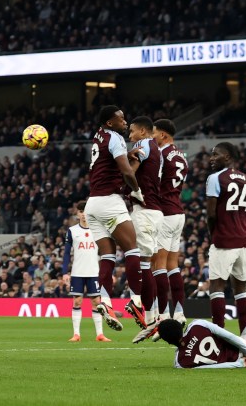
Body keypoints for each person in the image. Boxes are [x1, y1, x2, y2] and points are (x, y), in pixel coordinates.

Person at [87, 106, 145, 332]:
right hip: (109, 202)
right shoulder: (115, 137)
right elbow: (127, 173)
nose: (125, 121)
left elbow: (107, 162)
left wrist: (125, 155)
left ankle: (106, 302)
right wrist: (138, 192)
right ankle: (136, 301)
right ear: (110, 123)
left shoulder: (99, 136)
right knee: (132, 249)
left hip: (93, 203)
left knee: (108, 255)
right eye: (120, 119)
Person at [205, 142, 246, 337]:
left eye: (215, 154)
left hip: (223, 240)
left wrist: (214, 234)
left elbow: (211, 214)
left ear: (227, 157)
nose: (211, 158)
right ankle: (245, 337)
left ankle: (218, 336)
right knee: (241, 290)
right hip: (244, 240)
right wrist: (239, 223)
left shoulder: (215, 178)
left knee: (217, 286)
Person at [126, 116, 164, 342]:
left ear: (142, 131)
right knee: (144, 262)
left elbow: (131, 171)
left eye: (132, 131)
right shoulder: (155, 148)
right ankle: (152, 317)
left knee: (142, 263)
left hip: (146, 211)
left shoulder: (142, 145)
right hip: (153, 211)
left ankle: (151, 319)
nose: (130, 136)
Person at [152, 119, 188, 326]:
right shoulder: (182, 157)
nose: (152, 137)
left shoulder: (161, 155)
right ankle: (180, 312)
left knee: (160, 264)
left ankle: (164, 313)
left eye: (154, 133)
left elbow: (155, 182)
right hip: (178, 212)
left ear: (163, 135)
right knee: (173, 265)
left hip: (164, 212)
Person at [156, 318, 246, 369]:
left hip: (232, 360)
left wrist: (238, 364)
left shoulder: (180, 362)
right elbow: (227, 335)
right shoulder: (197, 325)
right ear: (179, 326)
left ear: (168, 342)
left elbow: (210, 368)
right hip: (237, 349)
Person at [61, 201, 111, 342]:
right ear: (77, 214)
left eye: (86, 211)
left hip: (94, 272)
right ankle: (76, 334)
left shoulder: (98, 230)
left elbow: (106, 252)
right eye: (81, 211)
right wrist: (65, 272)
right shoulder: (72, 231)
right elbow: (66, 254)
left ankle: (100, 334)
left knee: (96, 302)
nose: (83, 214)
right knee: (77, 301)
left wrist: (108, 272)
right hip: (77, 272)